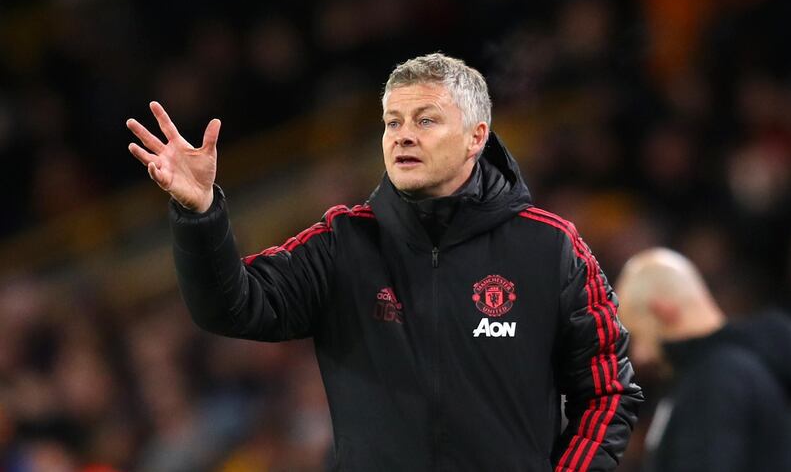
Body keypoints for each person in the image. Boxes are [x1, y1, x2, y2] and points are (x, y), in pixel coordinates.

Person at [126, 53, 643, 471]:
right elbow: (232, 307)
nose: (403, 135)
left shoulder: (550, 246)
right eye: (392, 121)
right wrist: (200, 214)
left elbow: (608, 390)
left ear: (476, 137)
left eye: (426, 120)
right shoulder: (343, 242)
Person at [616, 248, 791, 472]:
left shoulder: (715, 379)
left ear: (664, 310)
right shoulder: (734, 369)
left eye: (636, 335)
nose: (640, 354)